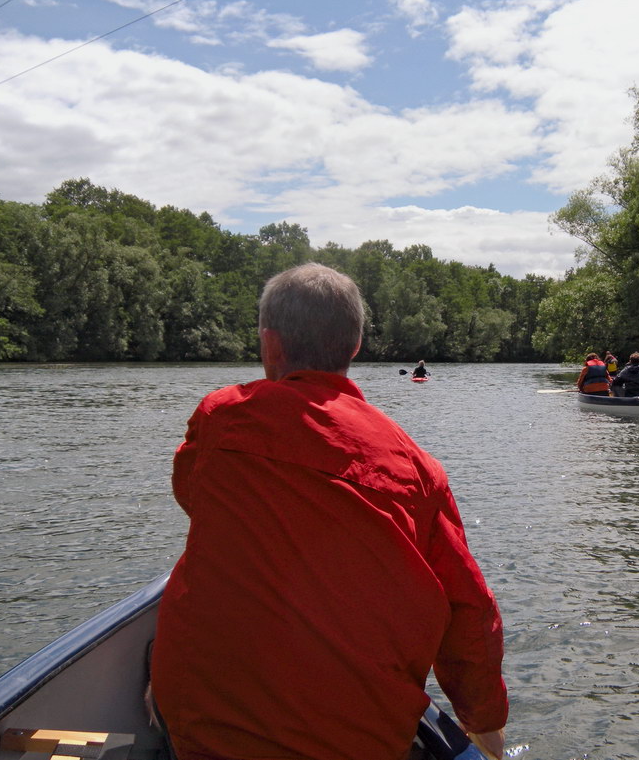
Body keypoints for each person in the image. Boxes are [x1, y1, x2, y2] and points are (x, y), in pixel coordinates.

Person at [150, 263, 508, 760]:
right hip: (355, 739)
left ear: (269, 345)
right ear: (355, 346)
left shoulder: (220, 417)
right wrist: (484, 722)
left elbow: (191, 492)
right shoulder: (418, 468)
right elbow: (469, 610)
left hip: (203, 727)